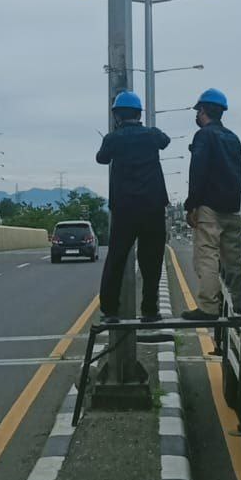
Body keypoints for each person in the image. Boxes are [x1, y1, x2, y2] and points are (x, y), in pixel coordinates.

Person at [96, 91, 170, 323]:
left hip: (125, 207)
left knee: (116, 258)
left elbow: (101, 158)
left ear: (117, 116)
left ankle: (110, 311)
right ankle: (150, 310)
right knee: (152, 260)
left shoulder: (112, 139)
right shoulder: (151, 135)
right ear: (139, 114)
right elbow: (165, 141)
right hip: (153, 206)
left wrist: (116, 135)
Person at [180, 88, 241, 322]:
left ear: (204, 110)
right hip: (233, 208)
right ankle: (238, 305)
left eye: (198, 110)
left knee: (207, 255)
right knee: (233, 260)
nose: (197, 114)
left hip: (210, 207)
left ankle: (208, 307)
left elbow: (198, 171)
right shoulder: (233, 138)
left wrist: (191, 205)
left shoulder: (204, 136)